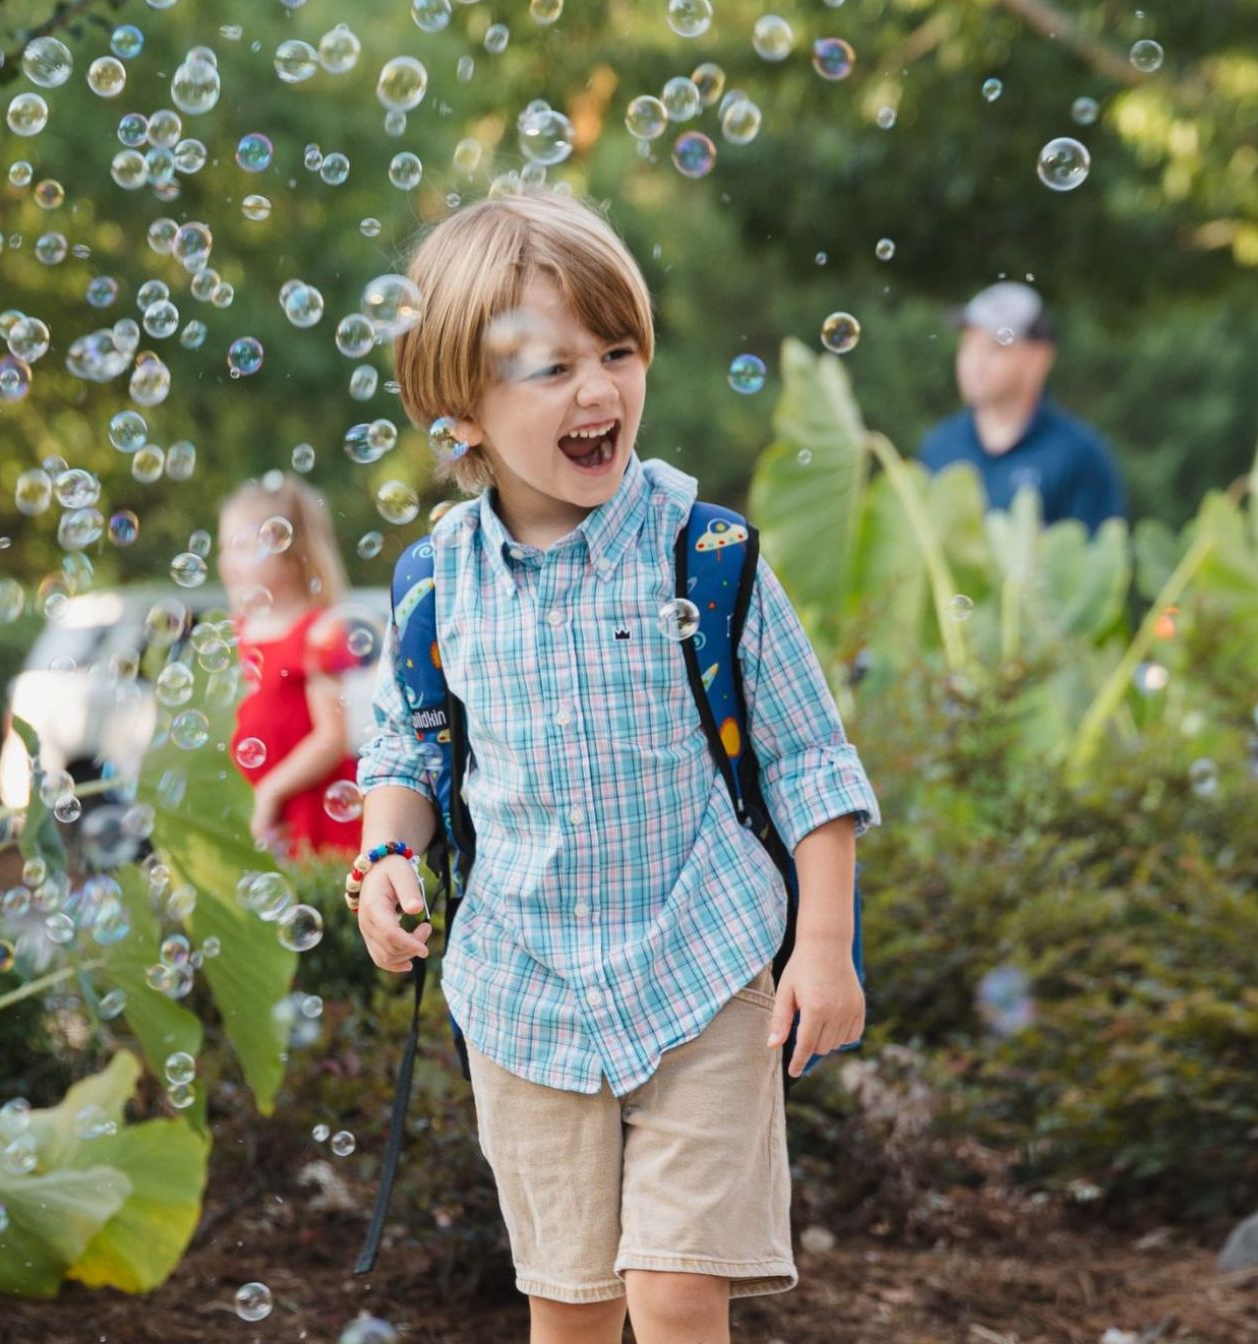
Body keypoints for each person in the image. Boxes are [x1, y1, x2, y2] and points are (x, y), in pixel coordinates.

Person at [353, 189, 882, 1344]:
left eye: (618, 350)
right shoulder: (438, 585)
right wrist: (388, 854)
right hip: (525, 990)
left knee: (678, 1289)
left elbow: (806, 759)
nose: (598, 392)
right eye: (549, 369)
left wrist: (825, 946)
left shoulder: (706, 556)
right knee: (572, 1306)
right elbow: (413, 745)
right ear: (460, 416)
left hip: (701, 968)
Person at [216, 472, 362, 859]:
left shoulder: (318, 632)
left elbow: (332, 738)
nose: (228, 560)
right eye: (225, 547)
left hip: (308, 808)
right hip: (254, 809)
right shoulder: (237, 633)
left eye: (244, 545)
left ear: (293, 551)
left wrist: (272, 791)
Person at [918, 281, 1127, 532]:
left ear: (1039, 358)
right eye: (969, 344)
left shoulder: (1079, 456)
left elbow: (1099, 563)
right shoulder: (938, 446)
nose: (975, 362)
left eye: (995, 347)